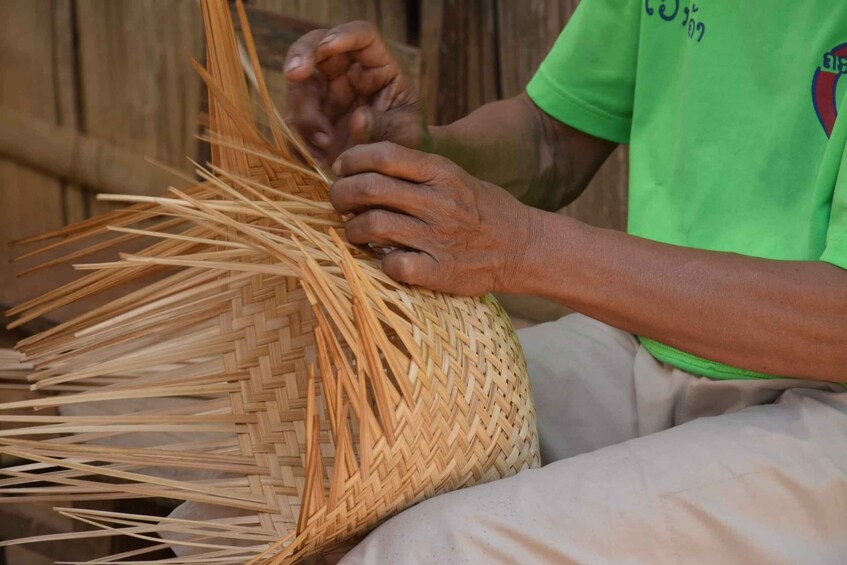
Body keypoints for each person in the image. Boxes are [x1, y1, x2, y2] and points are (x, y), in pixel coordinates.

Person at [283, 1, 847, 562]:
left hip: (829, 407)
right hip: (650, 346)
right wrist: (418, 156)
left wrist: (525, 246)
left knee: (429, 551)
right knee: (316, 447)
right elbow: (550, 140)